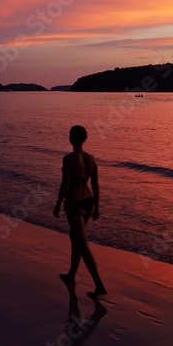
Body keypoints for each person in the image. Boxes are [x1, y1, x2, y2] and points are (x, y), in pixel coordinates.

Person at [53, 125, 107, 297]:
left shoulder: (68, 159)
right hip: (88, 202)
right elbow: (96, 185)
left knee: (82, 244)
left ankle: (99, 286)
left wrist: (58, 204)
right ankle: (71, 275)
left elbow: (66, 185)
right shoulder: (92, 159)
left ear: (71, 139)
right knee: (75, 237)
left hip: (74, 203)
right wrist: (97, 207)